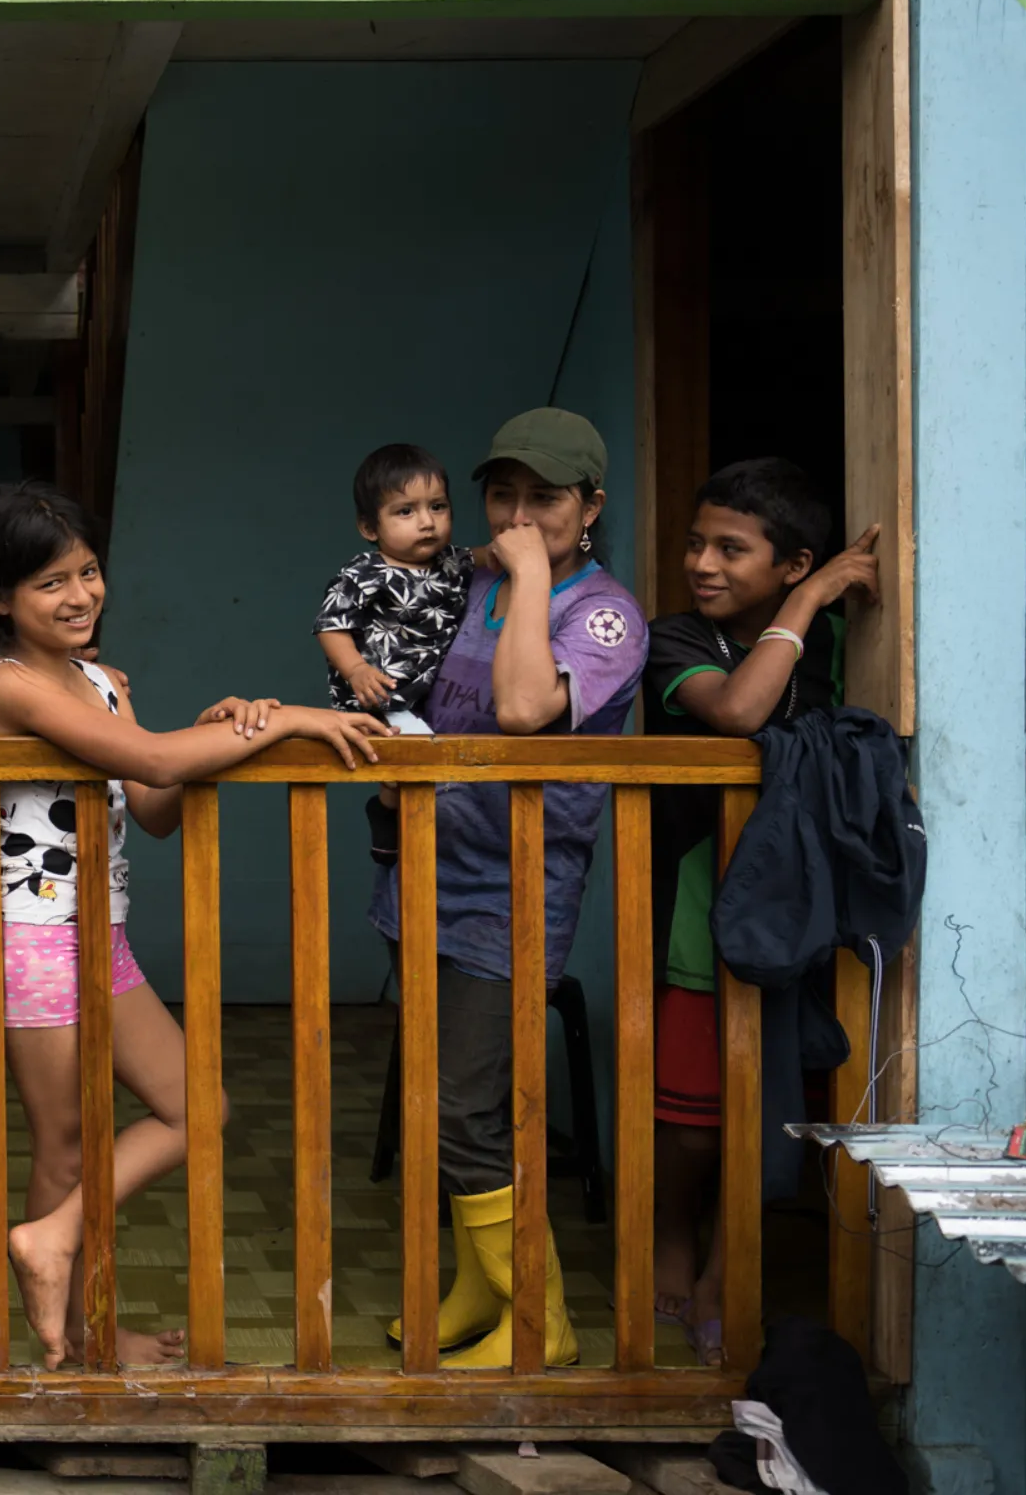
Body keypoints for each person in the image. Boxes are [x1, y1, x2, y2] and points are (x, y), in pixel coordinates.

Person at [0, 481, 388, 1368]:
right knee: (65, 1144)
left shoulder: (101, 682)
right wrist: (292, 719)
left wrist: (223, 725)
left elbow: (153, 800)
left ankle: (53, 1249)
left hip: (100, 936)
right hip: (33, 938)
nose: (80, 595)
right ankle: (80, 1340)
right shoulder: (5, 690)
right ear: (1, 598)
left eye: (87, 572)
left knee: (200, 1107)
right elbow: (152, 759)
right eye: (50, 584)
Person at [369, 408, 647, 1368]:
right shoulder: (463, 584)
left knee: (471, 1103)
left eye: (545, 498)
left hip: (516, 885)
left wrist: (530, 575)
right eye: (504, 495)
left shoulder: (602, 611)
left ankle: (543, 1319)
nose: (519, 515)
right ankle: (475, 1291)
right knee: (435, 1097)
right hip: (427, 864)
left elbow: (528, 711)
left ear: (591, 507)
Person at [643, 458, 878, 1366]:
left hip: (807, 913)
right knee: (692, 1117)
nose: (704, 562)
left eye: (732, 549)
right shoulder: (675, 643)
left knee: (770, 1107)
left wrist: (817, 608)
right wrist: (814, 595)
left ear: (788, 561)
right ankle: (671, 1236)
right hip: (702, 913)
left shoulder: (833, 647)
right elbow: (740, 711)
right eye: (697, 543)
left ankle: (720, 1271)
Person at [313, 442, 488, 864]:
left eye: (438, 507)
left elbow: (487, 556)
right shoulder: (365, 571)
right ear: (369, 527)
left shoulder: (451, 562)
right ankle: (394, 820)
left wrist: (517, 551)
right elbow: (331, 625)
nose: (427, 522)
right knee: (414, 755)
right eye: (405, 511)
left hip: (429, 692)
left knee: (415, 762)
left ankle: (389, 810)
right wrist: (355, 669)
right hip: (380, 692)